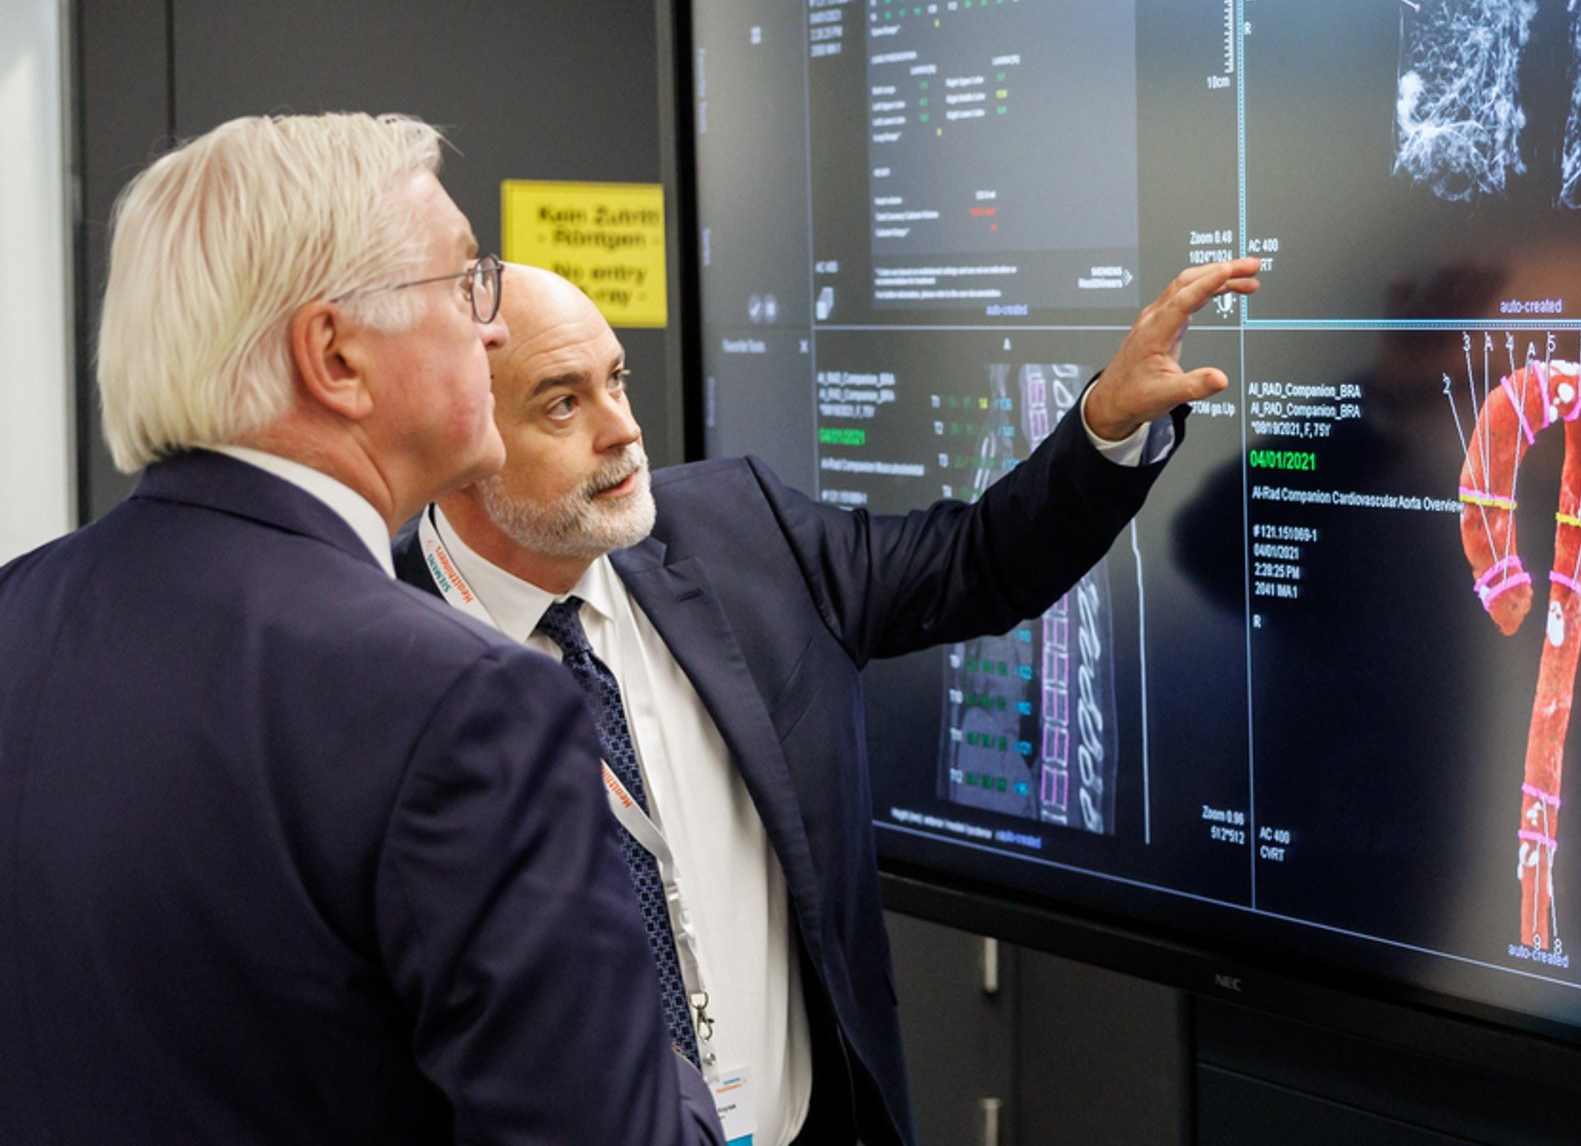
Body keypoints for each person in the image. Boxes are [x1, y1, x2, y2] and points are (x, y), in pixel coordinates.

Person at [393, 258, 1261, 1145]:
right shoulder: (375, 659)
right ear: (459, 435)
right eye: (562, 404)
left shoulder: (743, 533)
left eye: (616, 379)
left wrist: (1105, 424)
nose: (623, 431)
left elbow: (979, 563)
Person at [0, 115, 723, 1144]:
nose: (494, 328)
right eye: (467, 281)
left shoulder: (17, 612)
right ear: (334, 356)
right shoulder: (465, 705)